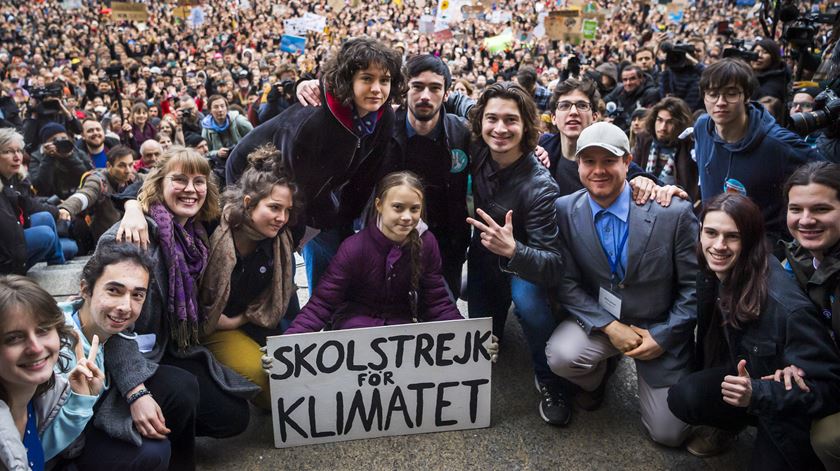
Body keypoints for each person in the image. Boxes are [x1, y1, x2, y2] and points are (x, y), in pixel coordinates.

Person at [96, 147, 257, 468]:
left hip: (168, 349)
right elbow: (105, 329)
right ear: (158, 184)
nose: (190, 189)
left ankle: (167, 420)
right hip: (121, 359)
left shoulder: (195, 234)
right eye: (179, 180)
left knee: (234, 417)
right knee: (182, 391)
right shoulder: (131, 236)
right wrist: (135, 391)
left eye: (199, 181)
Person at [548, 122, 698, 446]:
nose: (598, 170)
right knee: (561, 356)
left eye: (609, 161)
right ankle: (599, 376)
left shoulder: (673, 212)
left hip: (658, 326)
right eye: (590, 161)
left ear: (628, 162)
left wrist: (664, 335)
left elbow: (696, 288)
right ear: (578, 165)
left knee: (669, 434)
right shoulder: (564, 210)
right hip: (605, 322)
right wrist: (607, 326)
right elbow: (568, 283)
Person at [667, 193, 840, 469]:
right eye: (711, 232)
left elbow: (830, 389)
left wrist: (757, 393)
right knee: (684, 397)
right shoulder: (713, 271)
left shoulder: (786, 308)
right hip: (753, 384)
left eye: (732, 237)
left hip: (787, 410)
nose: (719, 245)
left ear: (750, 241)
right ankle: (733, 425)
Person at [226, 37, 404, 293]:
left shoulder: (384, 116)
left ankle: (328, 316)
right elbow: (289, 187)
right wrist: (295, 236)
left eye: (384, 80)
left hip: (319, 193)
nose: (377, 88)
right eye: (367, 78)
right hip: (257, 183)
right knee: (274, 264)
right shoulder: (312, 120)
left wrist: (342, 220)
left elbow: (364, 179)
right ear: (348, 80)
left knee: (338, 260)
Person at [464, 82, 567, 425]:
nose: (500, 128)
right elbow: (451, 96)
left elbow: (553, 265)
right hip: (482, 262)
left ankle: (550, 380)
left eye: (511, 120)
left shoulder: (541, 186)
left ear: (526, 127)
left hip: (525, 269)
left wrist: (514, 250)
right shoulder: (478, 150)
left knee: (531, 309)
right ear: (480, 122)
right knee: (482, 341)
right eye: (491, 118)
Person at [61, 243, 200, 470]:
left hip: (96, 409)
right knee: (153, 452)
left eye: (137, 295)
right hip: (66, 446)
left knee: (182, 385)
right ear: (85, 290)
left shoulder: (106, 328)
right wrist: (80, 401)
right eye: (114, 290)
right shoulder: (56, 348)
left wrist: (137, 392)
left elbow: (121, 339)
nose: (126, 306)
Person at [285, 171, 464, 333]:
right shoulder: (354, 247)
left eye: (414, 209)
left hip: (401, 330)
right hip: (354, 329)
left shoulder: (427, 243)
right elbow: (322, 303)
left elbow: (437, 300)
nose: (407, 217)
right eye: (398, 207)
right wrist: (288, 345)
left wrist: (471, 336)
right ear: (379, 205)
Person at [199, 145, 300, 410]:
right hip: (207, 328)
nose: (282, 218)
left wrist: (237, 321)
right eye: (274, 207)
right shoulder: (210, 226)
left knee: (296, 384)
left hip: (252, 322)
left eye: (287, 210)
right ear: (248, 203)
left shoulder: (280, 240)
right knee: (267, 385)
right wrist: (132, 210)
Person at [694, 58, 823, 250]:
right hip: (714, 246)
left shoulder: (778, 144)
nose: (720, 102)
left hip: (761, 254)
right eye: (712, 94)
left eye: (731, 94)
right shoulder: (702, 126)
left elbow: (828, 178)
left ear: (747, 96)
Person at [0, 274, 103, 470]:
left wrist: (81, 397)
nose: (36, 348)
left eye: (43, 330)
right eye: (14, 338)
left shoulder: (38, 397)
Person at [779, 162, 840, 470]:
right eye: (796, 209)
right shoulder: (798, 256)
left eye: (820, 208)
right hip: (823, 370)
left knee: (828, 438)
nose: (806, 220)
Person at [0, 128, 69, 275]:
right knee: (47, 235)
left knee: (46, 217)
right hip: (6, 258)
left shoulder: (13, 178)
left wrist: (58, 211)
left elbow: (30, 204)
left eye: (19, 150)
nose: (17, 157)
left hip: (14, 237)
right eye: (8, 152)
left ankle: (58, 267)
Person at [58, 145, 138, 242]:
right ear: (109, 166)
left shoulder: (135, 178)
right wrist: (67, 208)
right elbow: (86, 195)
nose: (128, 170)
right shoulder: (98, 180)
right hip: (101, 240)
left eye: (130, 165)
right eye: (122, 165)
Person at [632, 96, 699, 201]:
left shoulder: (688, 145)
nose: (663, 127)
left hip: (675, 201)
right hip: (644, 198)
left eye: (670, 122)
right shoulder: (645, 139)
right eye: (659, 120)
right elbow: (633, 171)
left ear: (679, 124)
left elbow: (691, 186)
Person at [28, 122, 93, 201]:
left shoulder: (77, 152)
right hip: (53, 200)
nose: (61, 142)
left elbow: (87, 176)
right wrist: (48, 158)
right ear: (45, 144)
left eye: (64, 138)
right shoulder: (36, 157)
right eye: (54, 140)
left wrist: (69, 157)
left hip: (78, 196)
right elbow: (42, 187)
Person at [603, 65, 661, 131]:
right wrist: (606, 117)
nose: (628, 83)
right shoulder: (620, 89)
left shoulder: (651, 93)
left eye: (632, 79)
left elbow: (648, 120)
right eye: (625, 80)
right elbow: (603, 103)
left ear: (641, 79)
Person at [201, 94, 253, 163]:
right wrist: (217, 153)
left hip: (244, 159)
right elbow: (205, 153)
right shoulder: (207, 128)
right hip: (221, 165)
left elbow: (254, 138)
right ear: (210, 110)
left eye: (222, 106)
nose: (220, 110)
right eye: (216, 107)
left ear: (227, 108)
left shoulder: (240, 121)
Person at [751, 39, 789, 104]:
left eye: (765, 52)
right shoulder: (748, 76)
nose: (759, 55)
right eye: (757, 51)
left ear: (774, 57)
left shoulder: (773, 86)